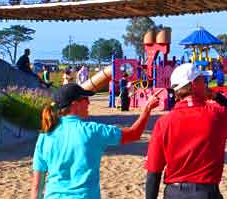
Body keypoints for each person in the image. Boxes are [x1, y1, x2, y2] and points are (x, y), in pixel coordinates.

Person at [31, 84, 159, 199]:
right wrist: (147, 109)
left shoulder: (45, 136)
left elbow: (37, 185)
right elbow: (134, 134)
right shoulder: (92, 131)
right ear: (75, 104)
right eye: (85, 99)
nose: (89, 103)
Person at [145, 63, 227, 199]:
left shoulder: (163, 122)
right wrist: (217, 97)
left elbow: (153, 171)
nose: (206, 84)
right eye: (203, 80)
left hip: (174, 193)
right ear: (194, 84)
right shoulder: (217, 115)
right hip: (206, 193)